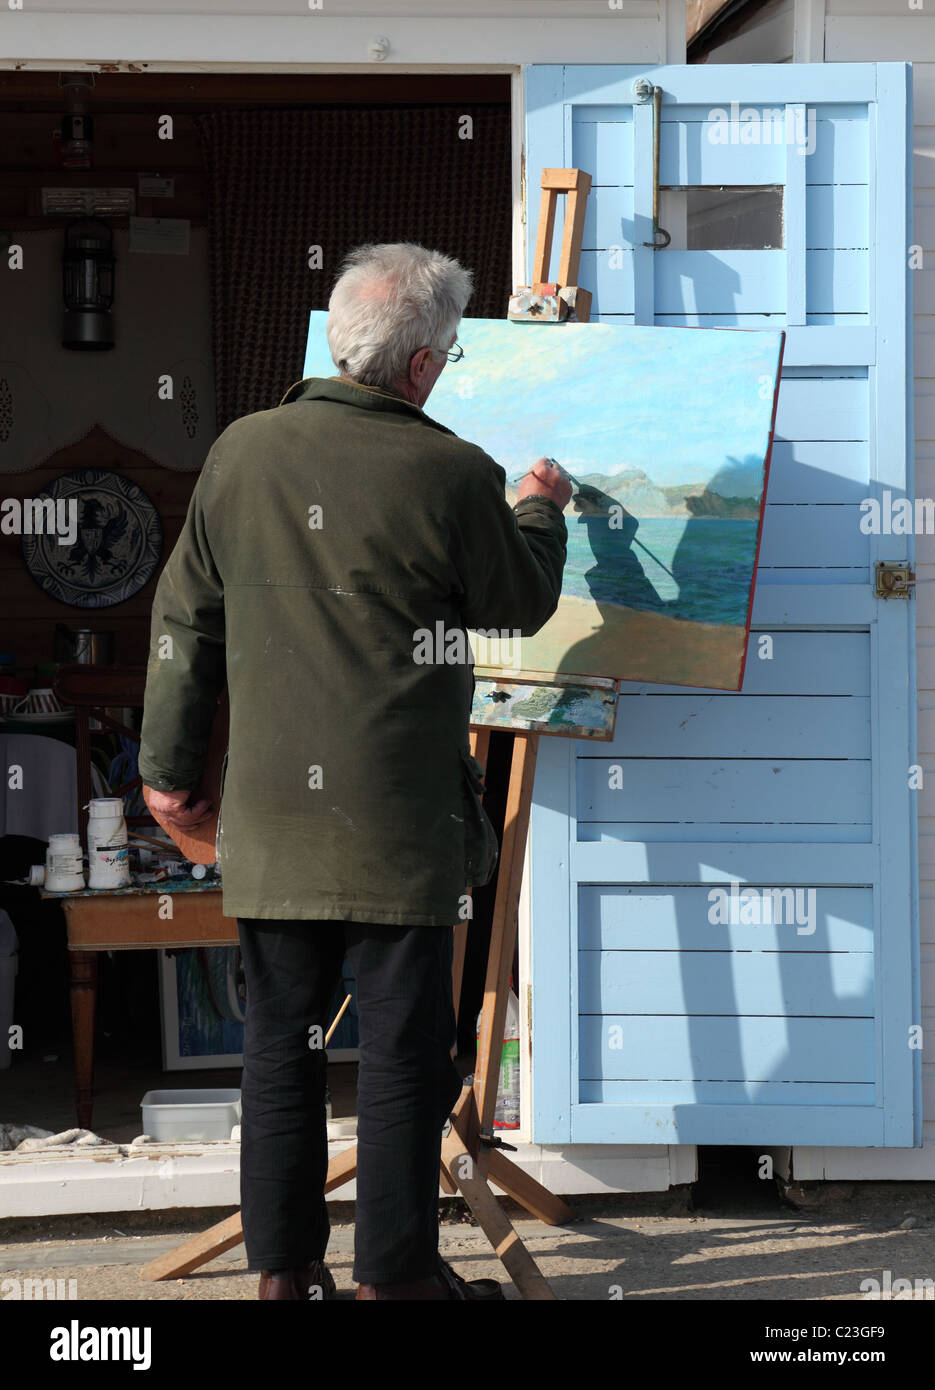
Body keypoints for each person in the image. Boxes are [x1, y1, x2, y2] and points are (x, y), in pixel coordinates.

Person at [137, 242, 571, 1301]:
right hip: (399, 827)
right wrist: (540, 507)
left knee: (277, 1053)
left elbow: (184, 618)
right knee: (398, 1060)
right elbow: (515, 603)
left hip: (276, 822)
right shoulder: (451, 471)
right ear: (421, 366)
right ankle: (395, 1280)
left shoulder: (240, 453)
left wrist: (165, 770)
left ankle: (284, 1279)